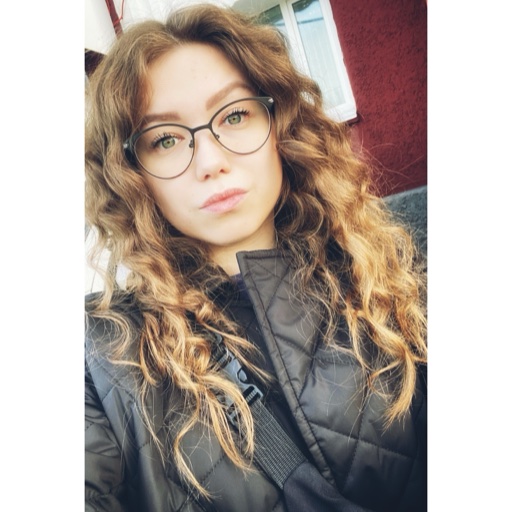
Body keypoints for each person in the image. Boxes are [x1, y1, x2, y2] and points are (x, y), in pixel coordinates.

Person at [85, 4, 427, 511]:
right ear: (131, 173)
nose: (210, 161)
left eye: (235, 115)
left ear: (281, 126)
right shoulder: (100, 356)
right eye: (165, 139)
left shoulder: (393, 279)